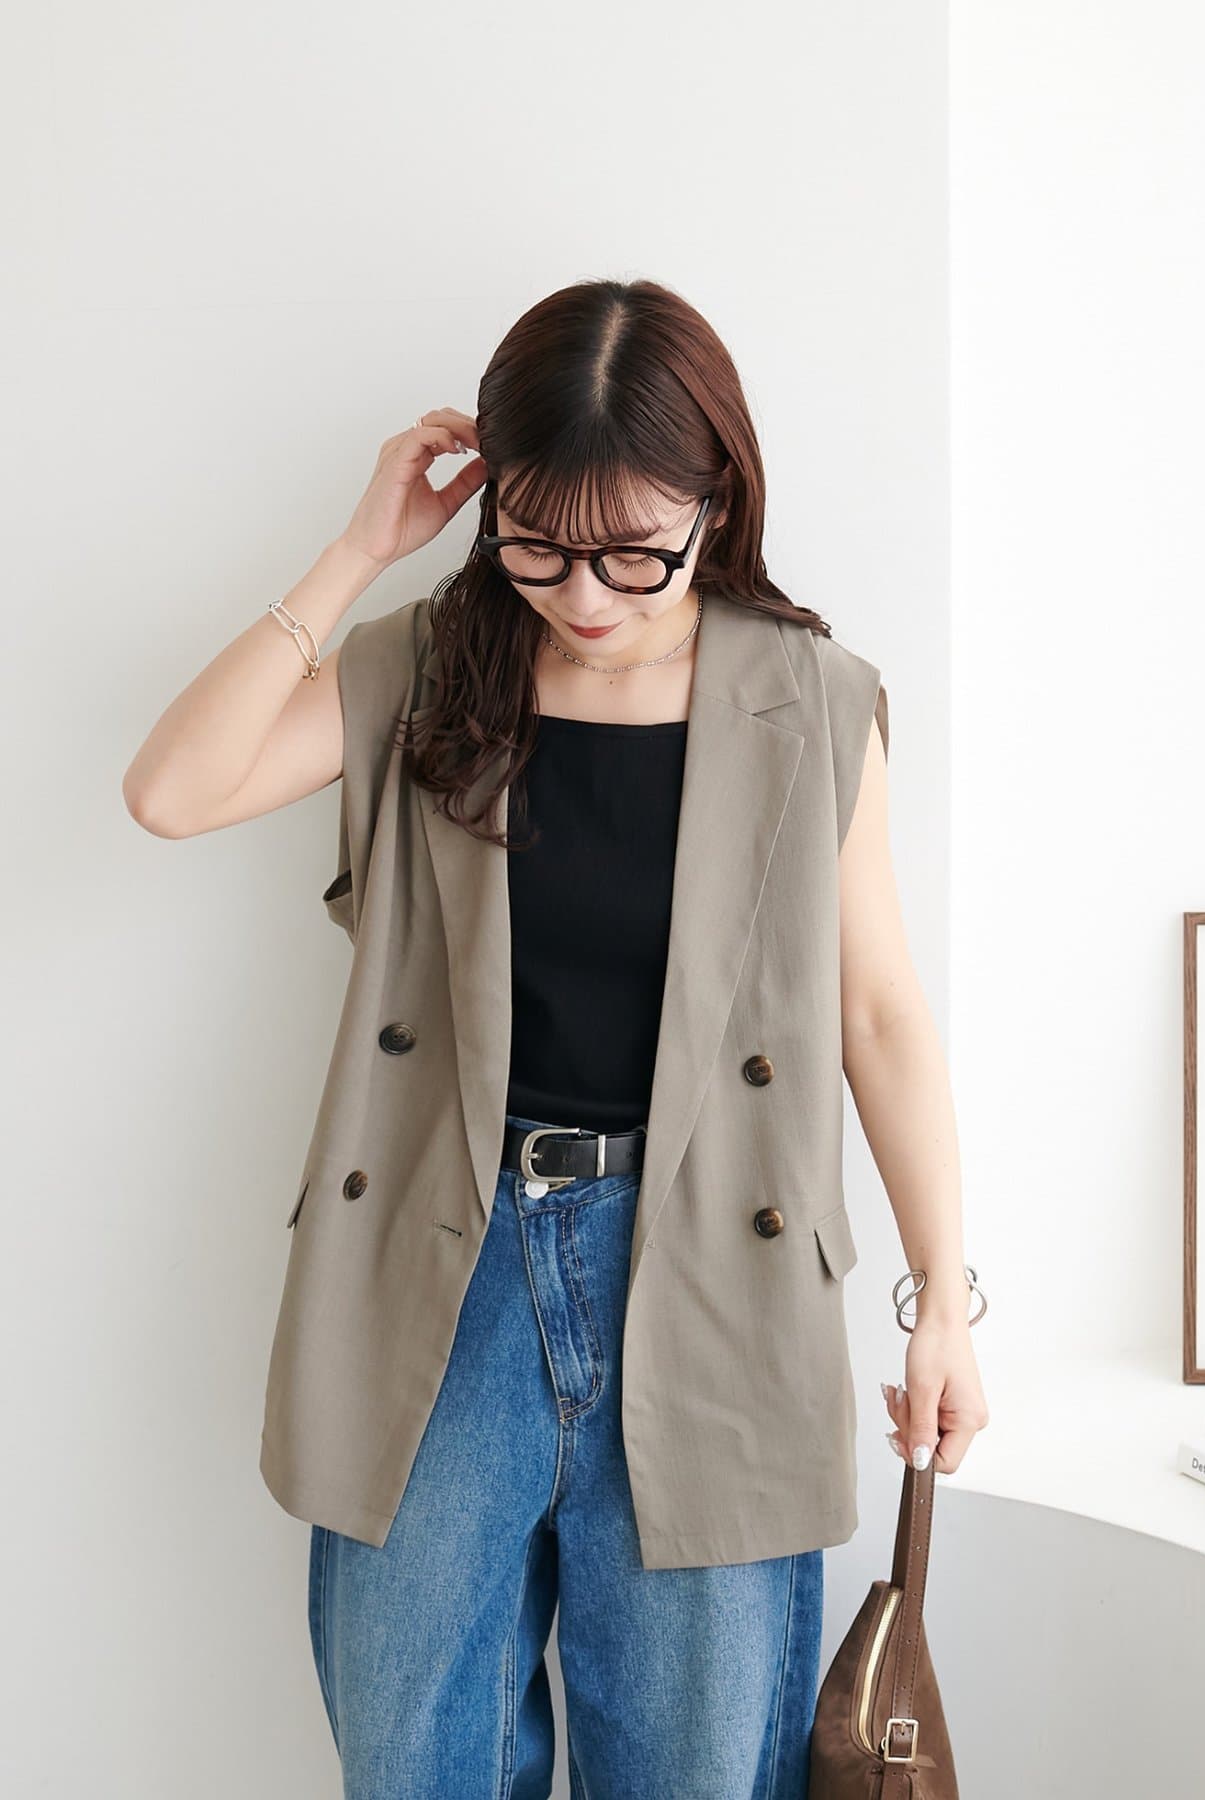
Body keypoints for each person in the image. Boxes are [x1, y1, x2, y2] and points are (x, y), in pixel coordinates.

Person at [123, 277, 988, 1799]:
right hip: (438, 1269)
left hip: (714, 1275)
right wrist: (359, 549)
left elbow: (878, 1012)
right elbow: (171, 791)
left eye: (633, 551)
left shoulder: (811, 701)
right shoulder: (429, 667)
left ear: (716, 504)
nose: (584, 595)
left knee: (697, 1768)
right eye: (538, 543)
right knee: (415, 1762)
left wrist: (944, 1302)